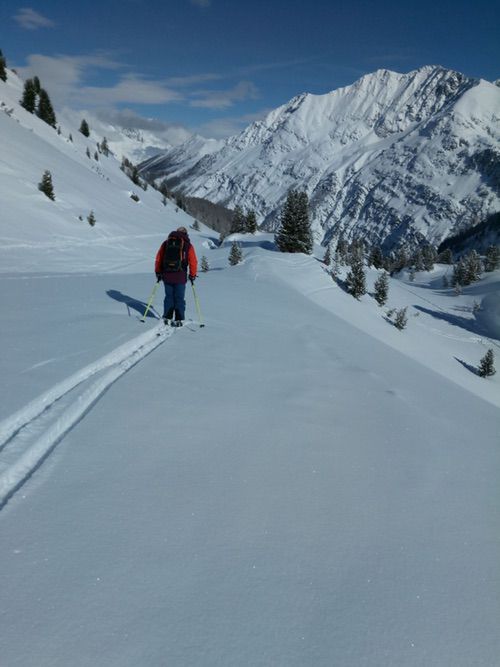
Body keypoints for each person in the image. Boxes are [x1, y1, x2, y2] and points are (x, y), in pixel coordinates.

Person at [155, 226, 198, 326]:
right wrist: (192, 275)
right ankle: (179, 318)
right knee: (179, 297)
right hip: (180, 276)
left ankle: (167, 316)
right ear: (186, 234)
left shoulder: (166, 243)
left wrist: (158, 272)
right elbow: (193, 262)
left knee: (169, 296)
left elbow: (159, 259)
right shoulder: (188, 245)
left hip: (167, 274)